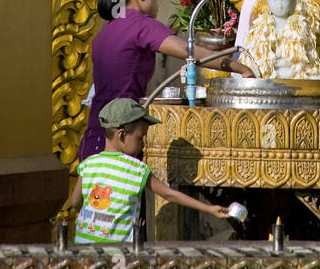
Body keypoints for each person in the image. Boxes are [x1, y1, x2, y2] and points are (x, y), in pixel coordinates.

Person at [78, 0, 250, 161]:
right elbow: (189, 52)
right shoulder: (140, 24)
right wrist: (238, 66)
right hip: (122, 137)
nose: (157, 3)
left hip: (95, 136)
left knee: (95, 192)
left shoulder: (105, 32)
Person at [70, 99, 230, 244]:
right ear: (122, 135)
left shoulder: (88, 164)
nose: (143, 144)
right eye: (140, 138)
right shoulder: (136, 169)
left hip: (84, 251)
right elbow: (169, 194)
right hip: (118, 256)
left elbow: (75, 202)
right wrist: (209, 208)